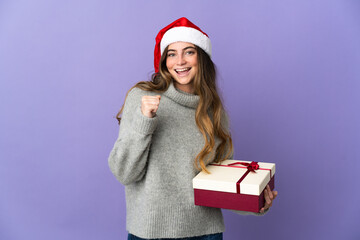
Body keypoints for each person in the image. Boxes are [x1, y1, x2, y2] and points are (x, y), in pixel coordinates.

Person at [108, 17, 278, 240]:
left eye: (189, 52)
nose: (180, 61)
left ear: (201, 58)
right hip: (151, 233)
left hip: (206, 233)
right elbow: (124, 172)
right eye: (171, 53)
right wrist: (144, 122)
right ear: (164, 61)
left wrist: (256, 203)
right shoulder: (142, 98)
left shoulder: (215, 113)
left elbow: (219, 184)